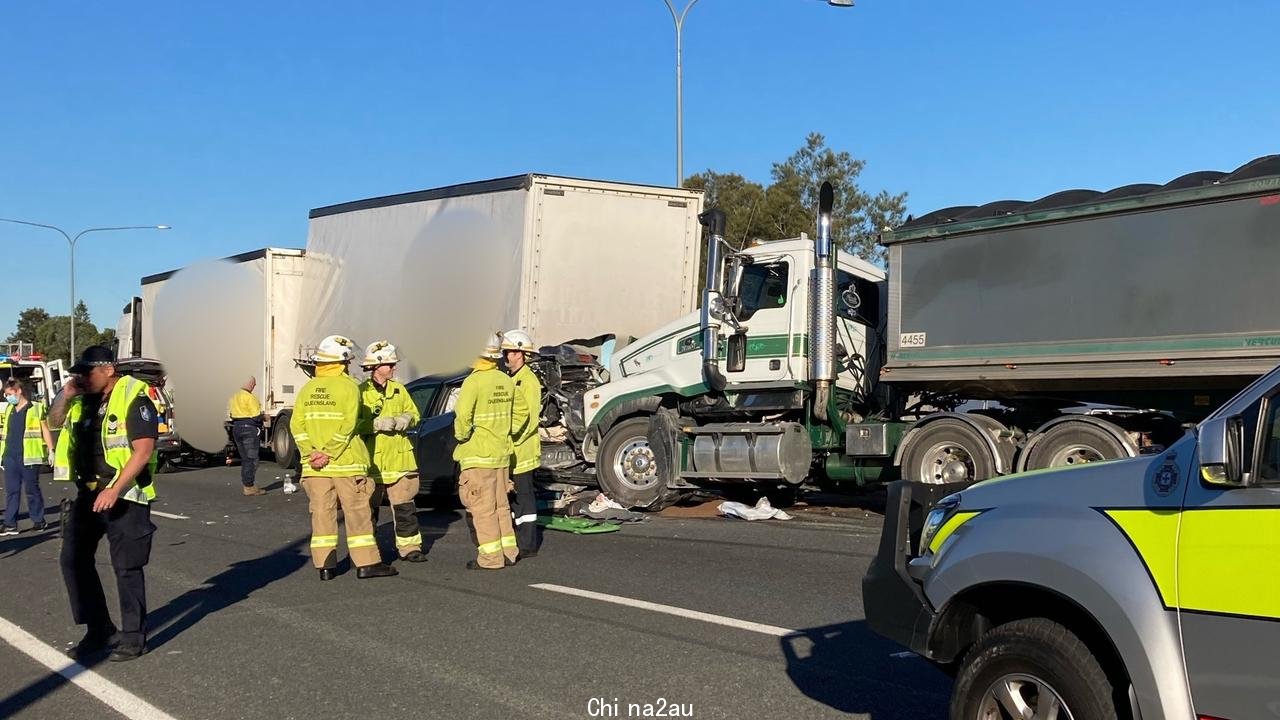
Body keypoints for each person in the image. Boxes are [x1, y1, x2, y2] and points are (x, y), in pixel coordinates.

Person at [48, 345, 160, 662]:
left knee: (126, 568)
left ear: (108, 369)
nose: (82, 377)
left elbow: (143, 450)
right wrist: (66, 394)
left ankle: (134, 637)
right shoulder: (82, 401)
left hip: (125, 496)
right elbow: (54, 422)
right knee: (72, 560)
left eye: (87, 372)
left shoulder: (134, 398)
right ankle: (98, 629)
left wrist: (114, 488)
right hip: (88, 495)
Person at [291, 335, 397, 581]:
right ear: (343, 361)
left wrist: (311, 453)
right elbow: (348, 425)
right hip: (346, 463)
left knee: (321, 514)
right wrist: (328, 452)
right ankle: (367, 563)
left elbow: (297, 426)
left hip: (315, 469)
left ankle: (325, 566)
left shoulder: (308, 389)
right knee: (357, 513)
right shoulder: (348, 387)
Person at [454, 333, 525, 570]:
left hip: (478, 455)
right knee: (501, 506)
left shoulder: (473, 382)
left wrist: (462, 437)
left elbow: (462, 418)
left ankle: (491, 558)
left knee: (482, 508)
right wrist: (506, 430)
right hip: (501, 455)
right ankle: (509, 552)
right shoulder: (505, 380)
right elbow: (521, 412)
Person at [357, 341, 426, 563]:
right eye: (390, 364)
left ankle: (410, 548)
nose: (394, 368)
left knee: (405, 507)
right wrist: (375, 424)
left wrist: (406, 418)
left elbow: (414, 414)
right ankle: (369, 552)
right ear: (377, 366)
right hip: (373, 461)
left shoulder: (399, 389)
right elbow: (353, 424)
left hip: (399, 460)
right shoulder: (361, 392)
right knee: (368, 511)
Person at [501, 330, 543, 557]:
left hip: (523, 449)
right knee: (515, 498)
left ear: (520, 353)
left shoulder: (528, 381)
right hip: (512, 449)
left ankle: (527, 545)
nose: (506, 356)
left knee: (524, 497)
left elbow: (528, 417)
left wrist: (511, 436)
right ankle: (517, 539)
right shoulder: (512, 379)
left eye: (509, 352)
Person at [1, 379, 54, 535]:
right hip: (10, 456)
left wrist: (51, 449)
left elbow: (45, 430)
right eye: (6, 394)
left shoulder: (36, 408)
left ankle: (38, 520)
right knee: (12, 491)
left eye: (9, 394)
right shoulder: (9, 409)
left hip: (29, 456)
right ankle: (10, 524)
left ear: (19, 391)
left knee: (32, 490)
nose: (7, 397)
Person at [228, 377, 266, 496]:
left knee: (245, 458)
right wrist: (265, 417)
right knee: (252, 459)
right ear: (249, 384)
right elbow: (256, 416)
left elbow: (231, 414)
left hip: (237, 428)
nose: (254, 386)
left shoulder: (234, 396)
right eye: (254, 384)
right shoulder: (250, 397)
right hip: (250, 429)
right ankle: (249, 486)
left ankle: (248, 484)